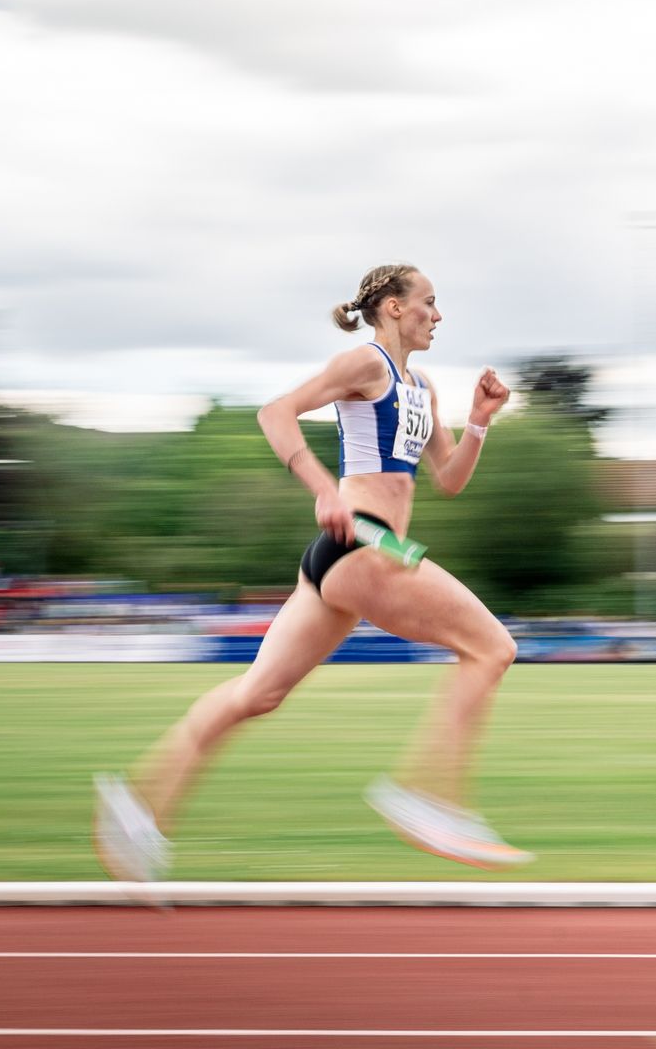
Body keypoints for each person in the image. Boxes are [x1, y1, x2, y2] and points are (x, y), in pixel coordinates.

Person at [94, 263, 529, 881]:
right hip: (365, 545)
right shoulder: (366, 363)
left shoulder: (421, 387)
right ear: (393, 308)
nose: (438, 314)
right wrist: (323, 489)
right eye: (429, 302)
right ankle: (430, 797)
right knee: (492, 647)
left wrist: (482, 419)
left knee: (257, 694)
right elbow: (277, 412)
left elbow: (449, 480)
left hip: (347, 560)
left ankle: (138, 809)